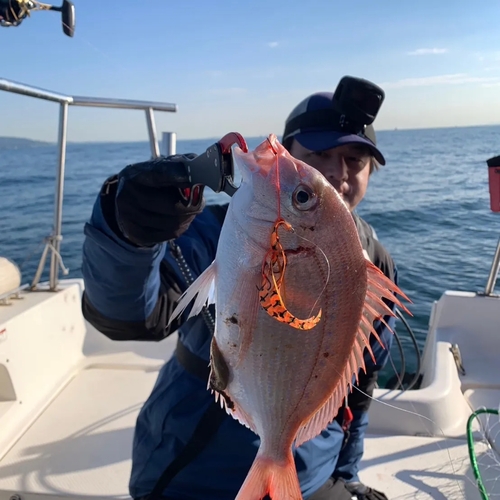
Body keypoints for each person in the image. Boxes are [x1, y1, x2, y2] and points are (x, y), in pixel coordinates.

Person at [81, 82, 399, 500]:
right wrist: (129, 234)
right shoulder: (212, 230)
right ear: (289, 152)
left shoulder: (375, 260)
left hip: (312, 475)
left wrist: (348, 469)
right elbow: (134, 316)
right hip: (193, 473)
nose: (337, 172)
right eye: (318, 155)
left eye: (354, 160)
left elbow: (360, 388)